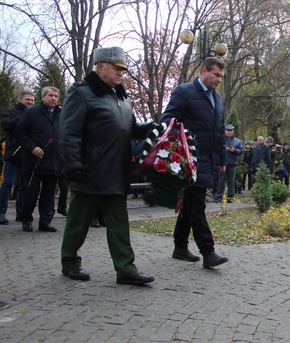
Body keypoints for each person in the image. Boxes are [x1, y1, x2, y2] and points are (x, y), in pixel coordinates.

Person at [59, 46, 156, 285]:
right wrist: (73, 166)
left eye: (123, 69)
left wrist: (151, 128)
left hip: (116, 171)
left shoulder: (122, 98)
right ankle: (69, 262)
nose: (121, 73)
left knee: (119, 224)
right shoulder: (81, 93)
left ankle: (125, 269)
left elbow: (130, 130)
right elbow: (68, 133)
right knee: (78, 222)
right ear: (100, 67)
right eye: (116, 68)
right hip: (89, 171)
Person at [161, 56, 229, 269]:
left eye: (221, 76)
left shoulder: (217, 99)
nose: (219, 79)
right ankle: (208, 252)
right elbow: (167, 121)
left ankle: (180, 246)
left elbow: (219, 132)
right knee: (197, 204)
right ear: (203, 71)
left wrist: (222, 159)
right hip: (189, 159)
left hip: (209, 160)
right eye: (216, 74)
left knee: (191, 204)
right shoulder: (184, 92)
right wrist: (183, 142)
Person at [15, 87, 61, 232]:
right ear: (43, 97)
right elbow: (20, 132)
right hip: (34, 161)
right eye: (50, 95)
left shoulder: (61, 115)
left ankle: (45, 222)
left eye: (55, 96)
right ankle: (26, 219)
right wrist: (32, 147)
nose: (53, 98)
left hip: (53, 162)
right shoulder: (31, 112)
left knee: (48, 195)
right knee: (31, 192)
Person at [0, 91, 35, 225]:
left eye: (32, 100)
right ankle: (1, 212)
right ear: (21, 100)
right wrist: (23, 117)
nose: (30, 102)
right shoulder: (11, 111)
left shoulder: (34, 114)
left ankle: (20, 213)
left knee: (24, 185)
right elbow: (5, 125)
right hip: (13, 153)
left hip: (27, 154)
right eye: (27, 100)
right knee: (8, 182)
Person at [215, 124, 243, 203]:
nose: (229, 132)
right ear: (225, 131)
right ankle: (219, 196)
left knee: (231, 181)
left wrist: (233, 150)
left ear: (233, 131)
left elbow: (241, 151)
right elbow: (217, 149)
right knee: (221, 180)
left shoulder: (238, 141)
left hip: (232, 163)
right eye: (227, 131)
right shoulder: (221, 139)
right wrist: (225, 149)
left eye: (230, 131)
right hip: (223, 163)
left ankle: (230, 197)